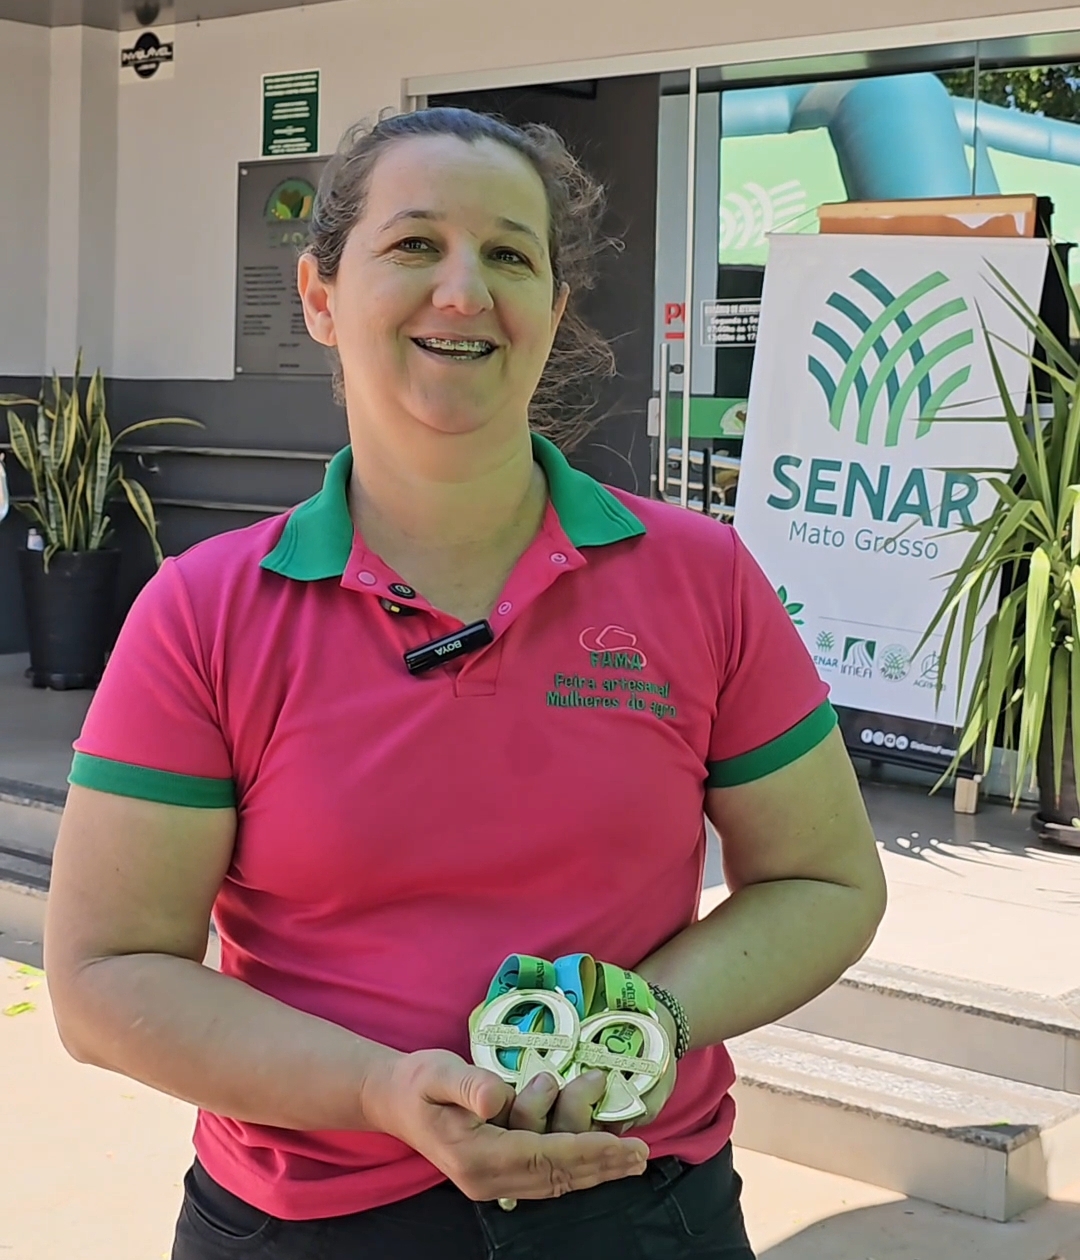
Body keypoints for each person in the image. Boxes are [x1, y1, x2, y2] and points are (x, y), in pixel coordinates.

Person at [44, 107, 887, 1260]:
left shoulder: (704, 582)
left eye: (508, 255)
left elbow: (824, 880)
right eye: (414, 244)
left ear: (554, 307)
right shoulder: (203, 614)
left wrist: (639, 1023)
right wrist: (379, 1090)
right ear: (320, 295)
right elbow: (103, 976)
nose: (463, 290)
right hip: (307, 1224)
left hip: (641, 1206)